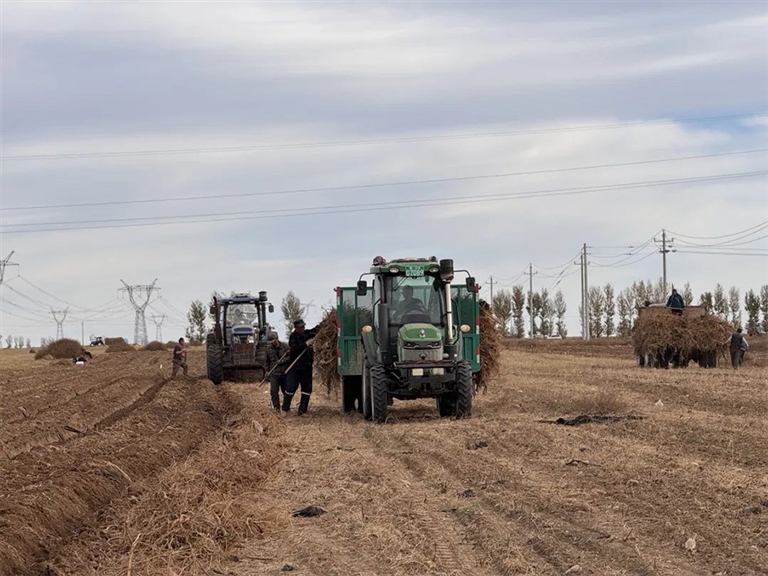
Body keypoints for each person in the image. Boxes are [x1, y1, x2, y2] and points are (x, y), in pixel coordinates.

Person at [282, 319, 320, 415]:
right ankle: (285, 409)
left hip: (306, 367)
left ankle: (302, 411)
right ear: (296, 328)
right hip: (295, 367)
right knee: (291, 387)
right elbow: (295, 350)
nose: (303, 329)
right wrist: (306, 344)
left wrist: (326, 322)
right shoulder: (293, 338)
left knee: (307, 389)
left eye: (303, 326)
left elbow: (316, 329)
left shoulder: (307, 334)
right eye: (301, 327)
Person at [265, 331, 290, 410]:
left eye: (273, 341)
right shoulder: (268, 349)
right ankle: (276, 408)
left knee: (286, 391)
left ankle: (286, 407)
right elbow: (267, 361)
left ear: (277, 339)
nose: (273, 343)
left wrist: (282, 361)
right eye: (271, 342)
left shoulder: (285, 346)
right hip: (274, 373)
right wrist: (267, 370)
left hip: (284, 373)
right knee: (274, 392)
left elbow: (290, 357)